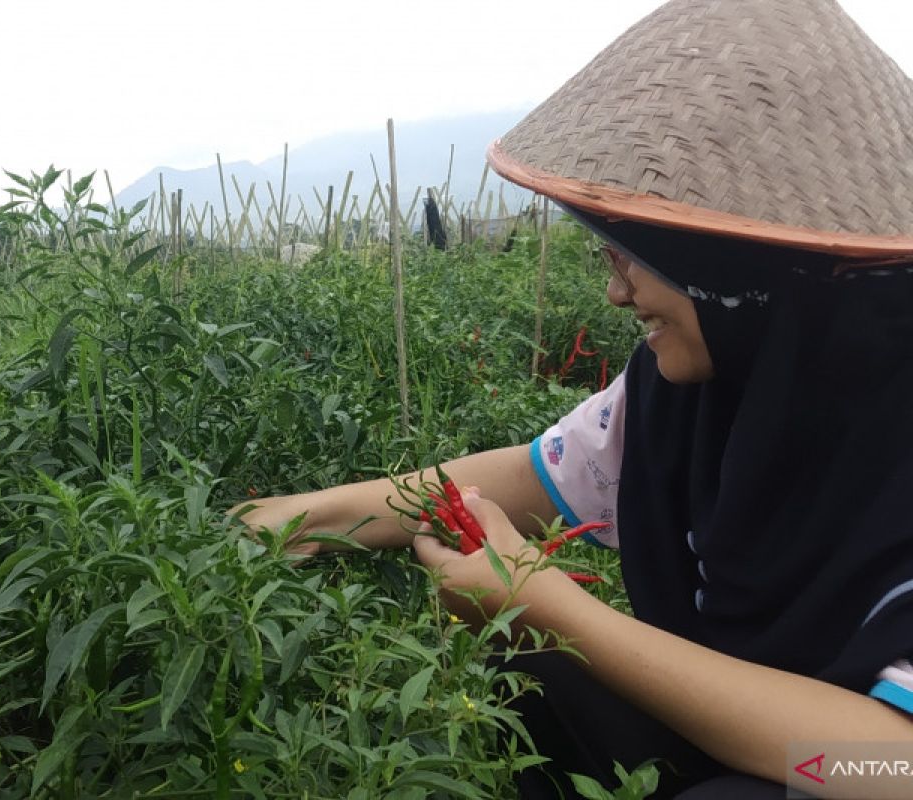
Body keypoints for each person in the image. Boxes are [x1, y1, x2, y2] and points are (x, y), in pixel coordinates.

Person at [238, 0, 913, 796]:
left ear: (738, 273)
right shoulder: (691, 388)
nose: (615, 294)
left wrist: (548, 603)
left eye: (636, 260)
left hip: (849, 767)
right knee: (528, 668)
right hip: (742, 742)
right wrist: (302, 515)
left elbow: (885, 766)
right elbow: (527, 477)